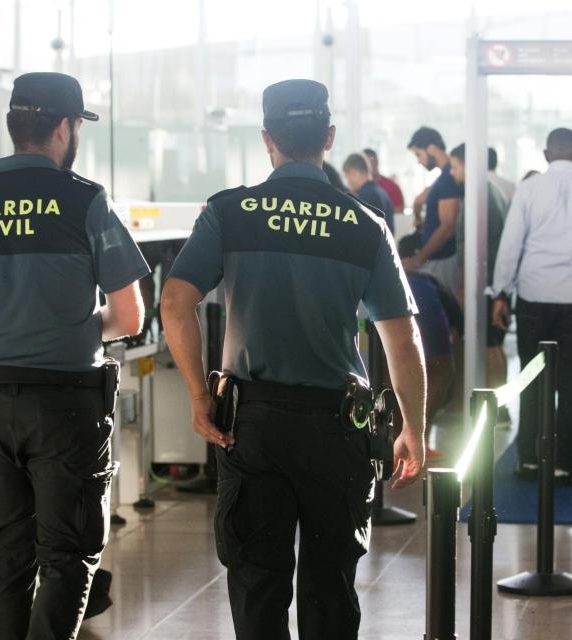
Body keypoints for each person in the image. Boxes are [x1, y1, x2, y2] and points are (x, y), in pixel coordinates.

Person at [161, 79, 426, 640]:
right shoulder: (364, 225)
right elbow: (400, 341)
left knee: (258, 583)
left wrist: (199, 395)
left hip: (251, 425)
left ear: (267, 139)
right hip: (337, 429)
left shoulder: (228, 212)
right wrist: (413, 429)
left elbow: (174, 301)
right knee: (330, 587)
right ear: (328, 138)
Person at [0, 71, 149, 640]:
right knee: (67, 551)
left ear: (14, 126)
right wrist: (64, 324)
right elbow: (130, 316)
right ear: (66, 129)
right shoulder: (86, 201)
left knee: (5, 547)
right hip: (65, 402)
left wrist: (0, 323)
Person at [492, 127, 572, 484]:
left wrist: (501, 292)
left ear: (546, 155)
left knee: (531, 377)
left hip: (533, 294)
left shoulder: (529, 189)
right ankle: (563, 463)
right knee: (571, 382)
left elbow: (511, 244)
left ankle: (529, 460)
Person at [448, 144, 511, 423]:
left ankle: (499, 407)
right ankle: (499, 404)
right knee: (492, 342)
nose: (452, 172)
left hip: (485, 281)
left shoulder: (481, 194)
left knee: (490, 344)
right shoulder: (487, 191)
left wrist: (466, 282)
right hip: (489, 279)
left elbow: (477, 245)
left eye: (455, 166)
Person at [396, 234, 461, 460]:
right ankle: (419, 441)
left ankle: (394, 441)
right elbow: (456, 330)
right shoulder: (431, 278)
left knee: (388, 379)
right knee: (441, 372)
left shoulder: (388, 272)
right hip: (428, 305)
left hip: (392, 307)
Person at [403, 126, 464, 292]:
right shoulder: (444, 176)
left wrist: (417, 260)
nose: (418, 161)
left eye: (418, 154)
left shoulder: (448, 178)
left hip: (443, 259)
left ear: (431, 149)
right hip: (437, 258)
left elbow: (448, 226)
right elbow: (422, 200)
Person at [343, 152, 395, 235]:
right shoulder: (382, 193)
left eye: (347, 176)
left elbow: (357, 231)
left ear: (354, 172)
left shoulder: (364, 197)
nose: (348, 182)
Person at [363, 147, 405, 213]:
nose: (370, 166)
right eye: (367, 163)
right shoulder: (355, 190)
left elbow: (399, 214)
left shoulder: (392, 186)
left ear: (377, 162)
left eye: (372, 161)